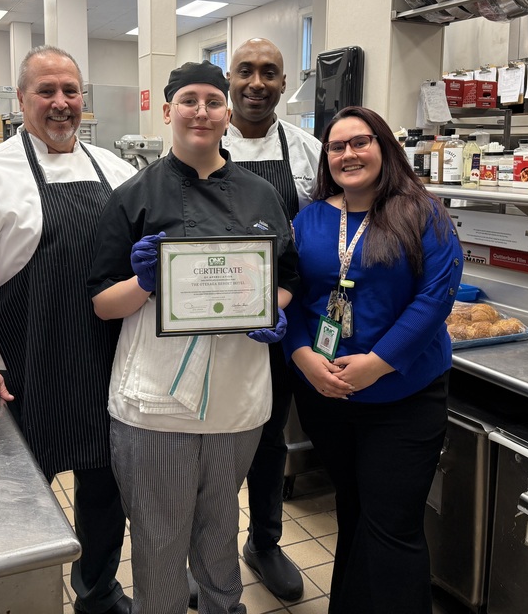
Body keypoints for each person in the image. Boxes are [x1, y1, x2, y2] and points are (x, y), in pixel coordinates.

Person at [0, 45, 136, 614]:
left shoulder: (117, 171)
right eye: (46, 91)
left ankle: (99, 591)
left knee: (105, 491)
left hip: (106, 361)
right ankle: (19, 599)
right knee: (16, 498)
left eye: (71, 91)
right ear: (21, 99)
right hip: (23, 366)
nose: (60, 104)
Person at [87, 60, 300, 614]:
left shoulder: (261, 196)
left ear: (227, 113)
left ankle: (222, 607)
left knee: (218, 530)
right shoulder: (133, 196)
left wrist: (269, 310)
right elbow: (103, 303)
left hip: (238, 398)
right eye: (188, 100)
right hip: (154, 403)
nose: (200, 111)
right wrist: (143, 283)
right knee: (158, 540)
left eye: (212, 100)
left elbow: (288, 281)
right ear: (166, 111)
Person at [282, 106, 463, 614]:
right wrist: (302, 357)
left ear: (384, 147)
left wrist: (377, 363)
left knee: (393, 525)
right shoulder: (311, 218)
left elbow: (436, 298)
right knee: (354, 510)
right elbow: (292, 294)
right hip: (327, 394)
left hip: (402, 396)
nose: (348, 154)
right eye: (336, 147)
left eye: (360, 142)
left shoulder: (423, 212)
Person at [217, 37, 321, 603]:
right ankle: (200, 550)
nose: (257, 83)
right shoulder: (201, 143)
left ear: (284, 84)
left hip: (279, 320)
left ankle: (265, 541)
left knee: (269, 438)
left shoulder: (307, 151)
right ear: (229, 79)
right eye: (246, 72)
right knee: (205, 439)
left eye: (270, 73)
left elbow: (323, 235)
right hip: (208, 321)